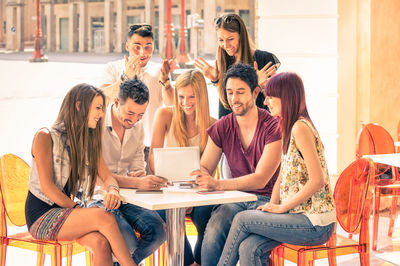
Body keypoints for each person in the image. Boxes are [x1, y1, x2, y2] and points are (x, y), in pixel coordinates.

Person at [217, 72, 336, 266]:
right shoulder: (286, 127)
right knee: (249, 247)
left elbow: (318, 180)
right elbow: (281, 177)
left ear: (287, 97)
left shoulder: (300, 128)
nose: (267, 101)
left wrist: (281, 208)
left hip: (316, 223)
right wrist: (271, 207)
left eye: (272, 96)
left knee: (242, 219)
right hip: (297, 217)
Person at [24, 84, 136, 266]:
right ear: (78, 106)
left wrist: (113, 190)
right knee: (103, 217)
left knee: (101, 243)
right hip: (42, 216)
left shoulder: (87, 142)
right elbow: (48, 188)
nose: (101, 114)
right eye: (98, 108)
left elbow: (108, 177)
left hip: (67, 213)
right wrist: (81, 211)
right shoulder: (44, 137)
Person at [190, 63, 282, 266]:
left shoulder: (272, 127)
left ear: (255, 92)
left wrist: (217, 185)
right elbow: (206, 166)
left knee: (221, 218)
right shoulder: (223, 126)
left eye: (240, 92)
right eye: (230, 92)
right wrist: (202, 177)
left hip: (268, 199)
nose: (234, 99)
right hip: (236, 197)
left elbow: (261, 178)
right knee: (211, 217)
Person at [88, 79, 167, 265]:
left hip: (126, 198)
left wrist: (141, 175)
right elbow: (97, 177)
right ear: (116, 102)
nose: (134, 120)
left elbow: (137, 166)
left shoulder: (137, 127)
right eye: (130, 113)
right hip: (97, 198)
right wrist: (137, 182)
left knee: (159, 231)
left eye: (140, 115)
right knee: (128, 243)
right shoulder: (96, 125)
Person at [149, 69, 216, 266]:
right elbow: (153, 157)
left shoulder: (213, 125)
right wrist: (171, 190)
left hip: (197, 193)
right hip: (167, 190)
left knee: (208, 215)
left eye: (192, 97)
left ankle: (201, 261)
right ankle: (188, 263)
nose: (186, 102)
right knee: (167, 215)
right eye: (181, 97)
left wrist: (191, 198)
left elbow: (208, 170)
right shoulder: (165, 115)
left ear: (201, 97)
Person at [194, 13, 280, 118]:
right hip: (229, 127)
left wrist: (263, 87)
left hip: (257, 127)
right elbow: (227, 102)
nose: (225, 45)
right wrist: (216, 80)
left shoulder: (263, 59)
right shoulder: (224, 62)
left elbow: (278, 101)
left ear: (241, 36)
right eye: (221, 40)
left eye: (230, 39)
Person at [100, 23, 173, 146]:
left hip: (151, 143)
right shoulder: (112, 68)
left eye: (147, 47)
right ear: (127, 46)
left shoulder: (159, 71)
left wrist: (166, 82)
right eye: (137, 47)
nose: (142, 52)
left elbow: (171, 104)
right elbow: (103, 99)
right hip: (117, 143)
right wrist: (125, 76)